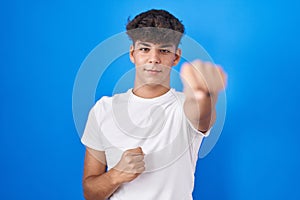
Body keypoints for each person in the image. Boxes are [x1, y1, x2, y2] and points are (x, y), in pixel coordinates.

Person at [81, 9, 227, 200]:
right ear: (133, 54)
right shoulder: (103, 109)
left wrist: (205, 93)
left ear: (175, 57)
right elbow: (90, 193)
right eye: (145, 49)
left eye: (164, 50)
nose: (154, 59)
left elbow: (201, 112)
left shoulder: (184, 107)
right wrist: (116, 175)